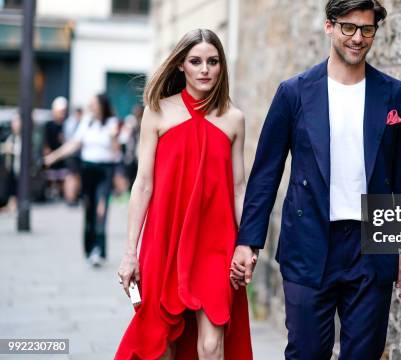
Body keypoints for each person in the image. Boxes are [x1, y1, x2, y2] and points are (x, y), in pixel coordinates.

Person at [231, 0, 401, 359]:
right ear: (329, 27)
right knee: (306, 352)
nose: (357, 38)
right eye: (349, 28)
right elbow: (266, 173)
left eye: (367, 30)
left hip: (372, 245)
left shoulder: (394, 94)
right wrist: (248, 241)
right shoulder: (295, 93)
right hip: (309, 239)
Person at [114, 29, 252, 359]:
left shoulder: (234, 119)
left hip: (216, 242)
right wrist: (130, 251)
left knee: (211, 343)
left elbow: (238, 187)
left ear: (222, 67)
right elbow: (143, 183)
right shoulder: (157, 111)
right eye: (196, 61)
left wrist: (247, 243)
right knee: (161, 342)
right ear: (181, 66)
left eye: (213, 61)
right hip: (164, 240)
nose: (205, 69)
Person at [44, 94, 120, 267]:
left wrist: (114, 137)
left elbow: (116, 152)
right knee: (89, 210)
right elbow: (73, 144)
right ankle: (89, 248)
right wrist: (52, 158)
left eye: (93, 104)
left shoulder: (111, 123)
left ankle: (99, 250)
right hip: (88, 170)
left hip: (105, 171)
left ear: (101, 105)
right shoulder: (87, 122)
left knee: (101, 210)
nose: (91, 107)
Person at [43, 96, 69, 200]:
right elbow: (45, 142)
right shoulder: (49, 125)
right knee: (51, 176)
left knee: (62, 176)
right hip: (52, 156)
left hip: (63, 156)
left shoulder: (67, 125)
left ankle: (62, 193)